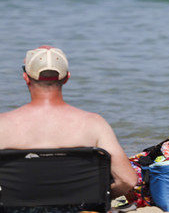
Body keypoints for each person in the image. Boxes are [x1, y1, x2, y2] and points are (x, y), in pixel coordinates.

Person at [0, 46, 138, 205]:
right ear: (67, 78)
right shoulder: (94, 123)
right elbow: (127, 180)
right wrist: (102, 196)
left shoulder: (3, 125)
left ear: (26, 77)